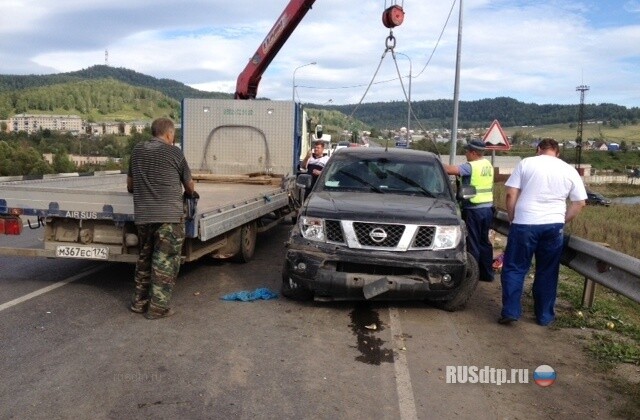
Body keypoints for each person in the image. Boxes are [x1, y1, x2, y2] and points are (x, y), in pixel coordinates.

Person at [499, 138, 587, 326]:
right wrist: (561, 220)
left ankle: (511, 311)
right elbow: (580, 203)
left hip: (524, 223)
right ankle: (544, 317)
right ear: (558, 152)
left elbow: (510, 194)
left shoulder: (526, 163)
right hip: (553, 226)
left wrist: (513, 217)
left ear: (538, 149)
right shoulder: (568, 170)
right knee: (547, 271)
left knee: (515, 267)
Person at [127, 117, 196, 319]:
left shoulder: (137, 150)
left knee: (144, 260)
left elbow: (130, 186)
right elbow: (189, 187)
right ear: (168, 134)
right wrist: (190, 192)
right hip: (169, 219)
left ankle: (139, 304)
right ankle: (157, 309)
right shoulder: (175, 152)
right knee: (164, 264)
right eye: (173, 135)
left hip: (144, 218)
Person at [444, 140, 495, 283]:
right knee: (484, 242)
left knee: (472, 243)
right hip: (487, 208)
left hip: (474, 209)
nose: (465, 154)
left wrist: (435, 162)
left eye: (467, 151)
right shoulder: (487, 165)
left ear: (473, 152)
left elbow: (450, 170)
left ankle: (472, 276)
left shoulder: (471, 166)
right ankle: (487, 274)